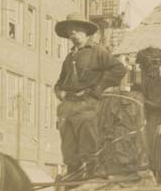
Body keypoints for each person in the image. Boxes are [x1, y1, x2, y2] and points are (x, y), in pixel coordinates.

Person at [54, 13, 126, 179]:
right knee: (69, 149)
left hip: (88, 105)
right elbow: (61, 80)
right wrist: (59, 91)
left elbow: (119, 69)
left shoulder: (97, 52)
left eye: (77, 31)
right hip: (68, 107)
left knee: (89, 147)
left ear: (86, 32)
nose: (74, 35)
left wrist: (98, 89)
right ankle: (73, 185)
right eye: (71, 32)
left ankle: (92, 182)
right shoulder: (69, 57)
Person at [134, 47, 161, 174]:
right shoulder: (146, 76)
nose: (145, 71)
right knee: (149, 151)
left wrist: (149, 104)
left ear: (156, 64)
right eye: (143, 68)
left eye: (147, 68)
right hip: (151, 117)